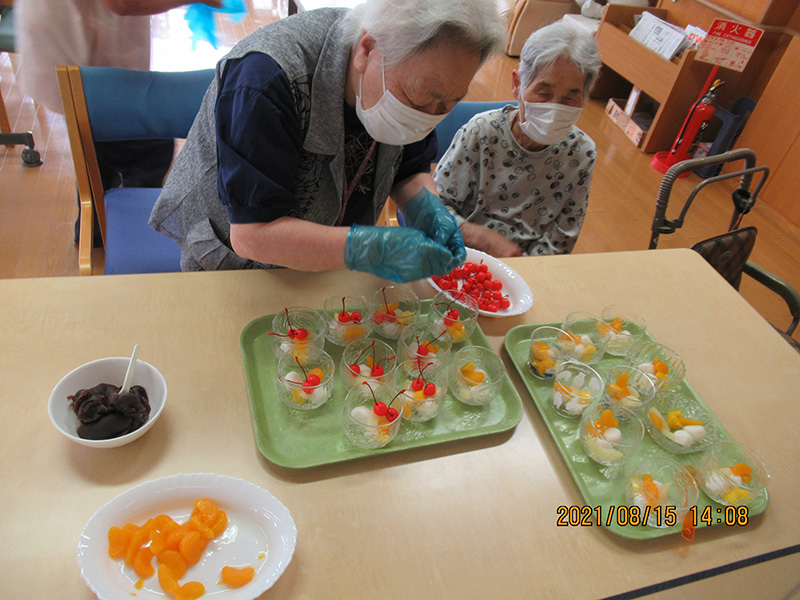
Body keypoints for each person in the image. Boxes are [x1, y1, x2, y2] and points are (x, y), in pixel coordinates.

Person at [149, 0, 507, 283]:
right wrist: (370, 249)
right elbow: (252, 235)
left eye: (448, 104)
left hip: (331, 261)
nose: (428, 116)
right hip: (238, 266)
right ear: (367, 50)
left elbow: (408, 168)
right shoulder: (266, 80)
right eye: (418, 99)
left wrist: (430, 210)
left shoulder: (416, 74)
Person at [17, 0, 222, 243]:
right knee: (144, 145)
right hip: (79, 37)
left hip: (72, 32)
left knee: (95, 139)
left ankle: (96, 230)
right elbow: (121, 3)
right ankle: (133, 232)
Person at [433, 20, 601, 258]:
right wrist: (478, 240)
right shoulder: (481, 132)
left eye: (569, 99)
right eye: (544, 93)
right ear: (517, 84)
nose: (555, 108)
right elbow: (436, 208)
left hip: (528, 266)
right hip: (462, 251)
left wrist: (524, 268)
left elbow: (561, 237)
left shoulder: (581, 153)